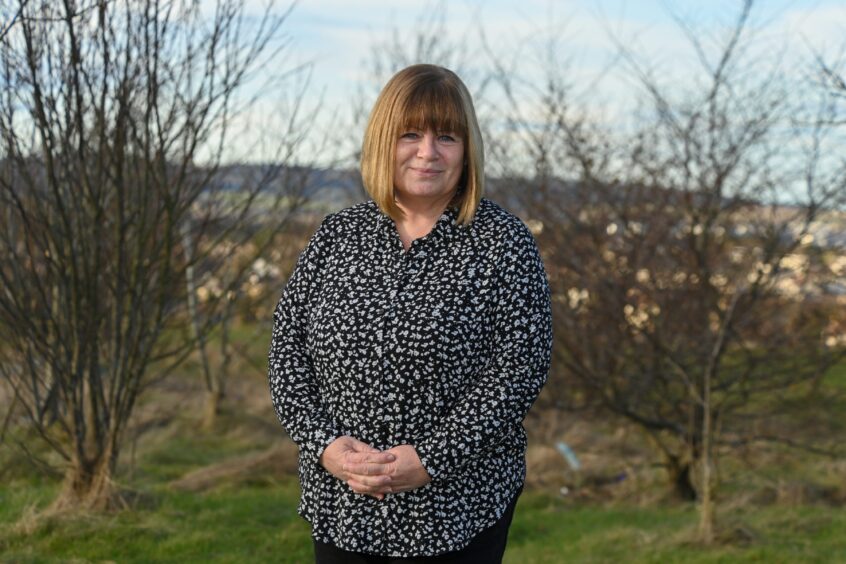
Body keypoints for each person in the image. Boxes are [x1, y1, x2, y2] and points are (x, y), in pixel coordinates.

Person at [268, 64, 552, 563]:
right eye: (410, 134)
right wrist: (326, 446)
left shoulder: (504, 244)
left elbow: (518, 370)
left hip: (457, 508)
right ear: (384, 141)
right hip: (343, 504)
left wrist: (429, 459)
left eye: (447, 136)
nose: (428, 152)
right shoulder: (337, 236)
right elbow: (287, 351)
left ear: (467, 150)